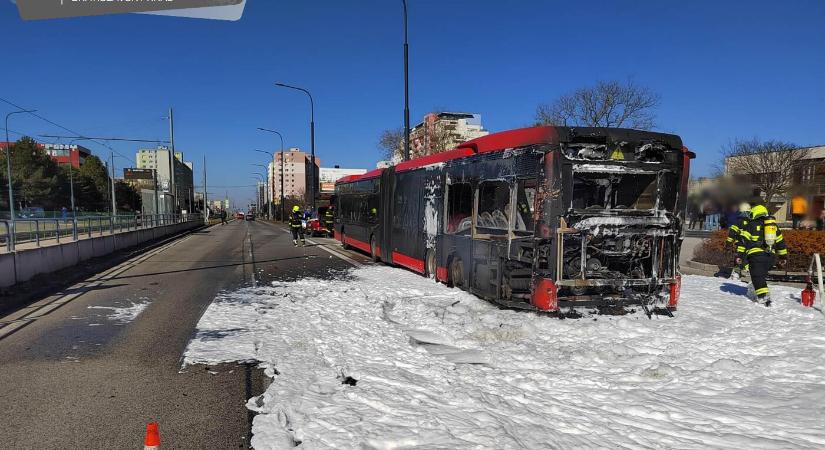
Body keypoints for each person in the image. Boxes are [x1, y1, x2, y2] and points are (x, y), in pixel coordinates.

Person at [738, 204, 789, 306]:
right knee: (760, 276)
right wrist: (783, 257)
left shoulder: (750, 225)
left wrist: (739, 256)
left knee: (757, 276)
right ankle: (756, 290)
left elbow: (743, 242)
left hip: (756, 256)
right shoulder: (772, 227)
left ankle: (764, 298)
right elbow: (780, 242)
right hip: (770, 257)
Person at [726, 202, 751, 281]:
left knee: (738, 259)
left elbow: (732, 233)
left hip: (740, 245)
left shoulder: (738, 222)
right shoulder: (753, 222)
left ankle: (736, 274)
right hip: (750, 246)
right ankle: (747, 272)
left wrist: (728, 243)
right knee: (747, 259)